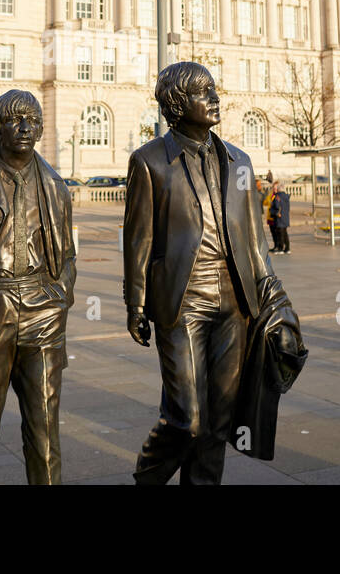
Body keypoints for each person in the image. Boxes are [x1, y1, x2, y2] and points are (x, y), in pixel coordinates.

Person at [123, 61, 296, 484]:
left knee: (219, 420)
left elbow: (256, 241)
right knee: (187, 418)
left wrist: (274, 300)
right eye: (204, 93)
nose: (215, 99)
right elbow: (138, 239)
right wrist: (136, 302)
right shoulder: (150, 162)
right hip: (182, 300)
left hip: (236, 302)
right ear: (178, 104)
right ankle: (147, 477)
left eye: (214, 90)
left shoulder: (239, 161)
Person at [0, 90, 76, 484]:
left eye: (32, 121)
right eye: (15, 120)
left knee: (45, 426)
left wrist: (61, 297)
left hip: (43, 306)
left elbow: (68, 255)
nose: (25, 128)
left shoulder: (56, 185)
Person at [267, 181, 290, 254]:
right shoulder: (286, 196)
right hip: (285, 217)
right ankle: (287, 248)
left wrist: (273, 210)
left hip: (279, 218)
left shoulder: (277, 197)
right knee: (284, 233)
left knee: (280, 234)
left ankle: (280, 248)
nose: (275, 189)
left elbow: (276, 206)